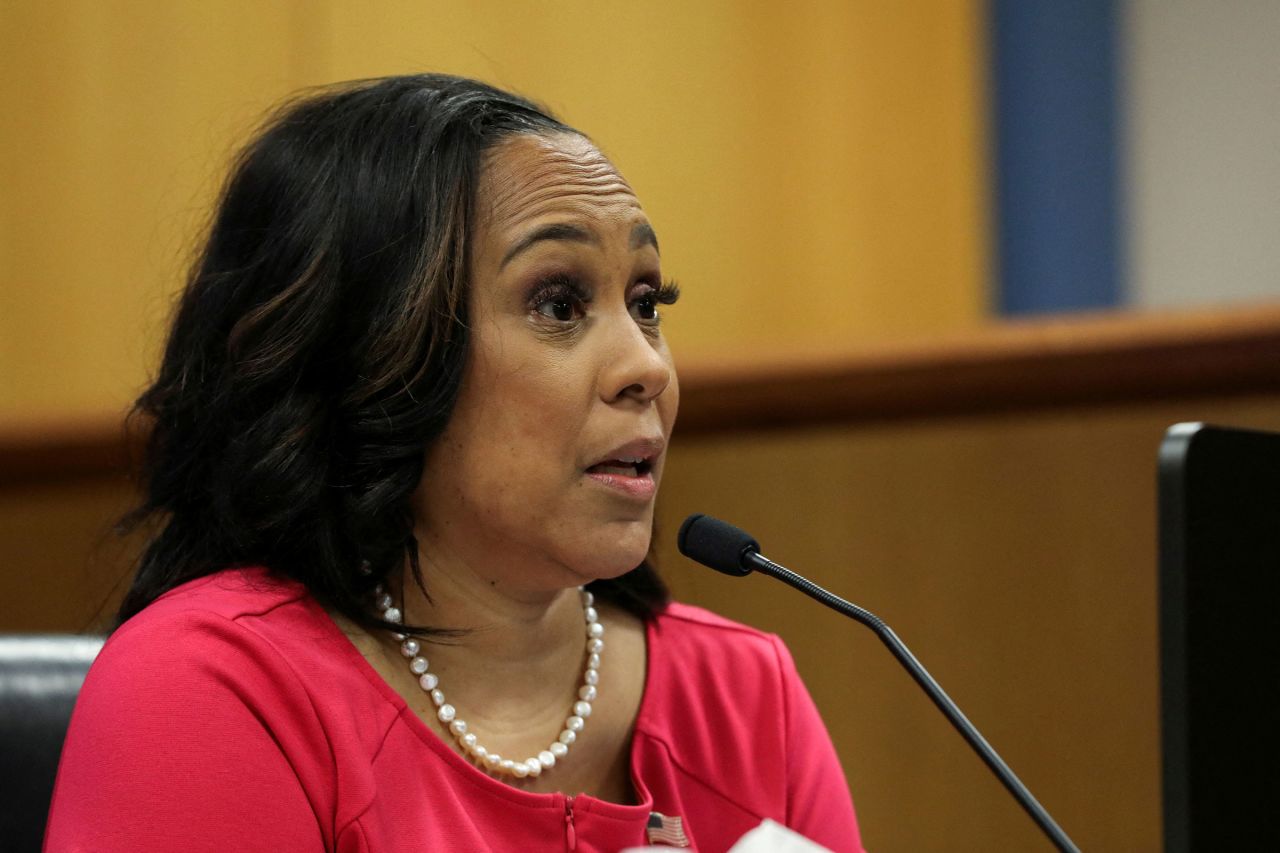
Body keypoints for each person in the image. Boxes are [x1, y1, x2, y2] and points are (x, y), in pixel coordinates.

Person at [44, 74, 863, 853]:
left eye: (647, 304)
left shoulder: (745, 696)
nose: (645, 367)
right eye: (558, 304)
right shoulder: (208, 692)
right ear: (375, 356)